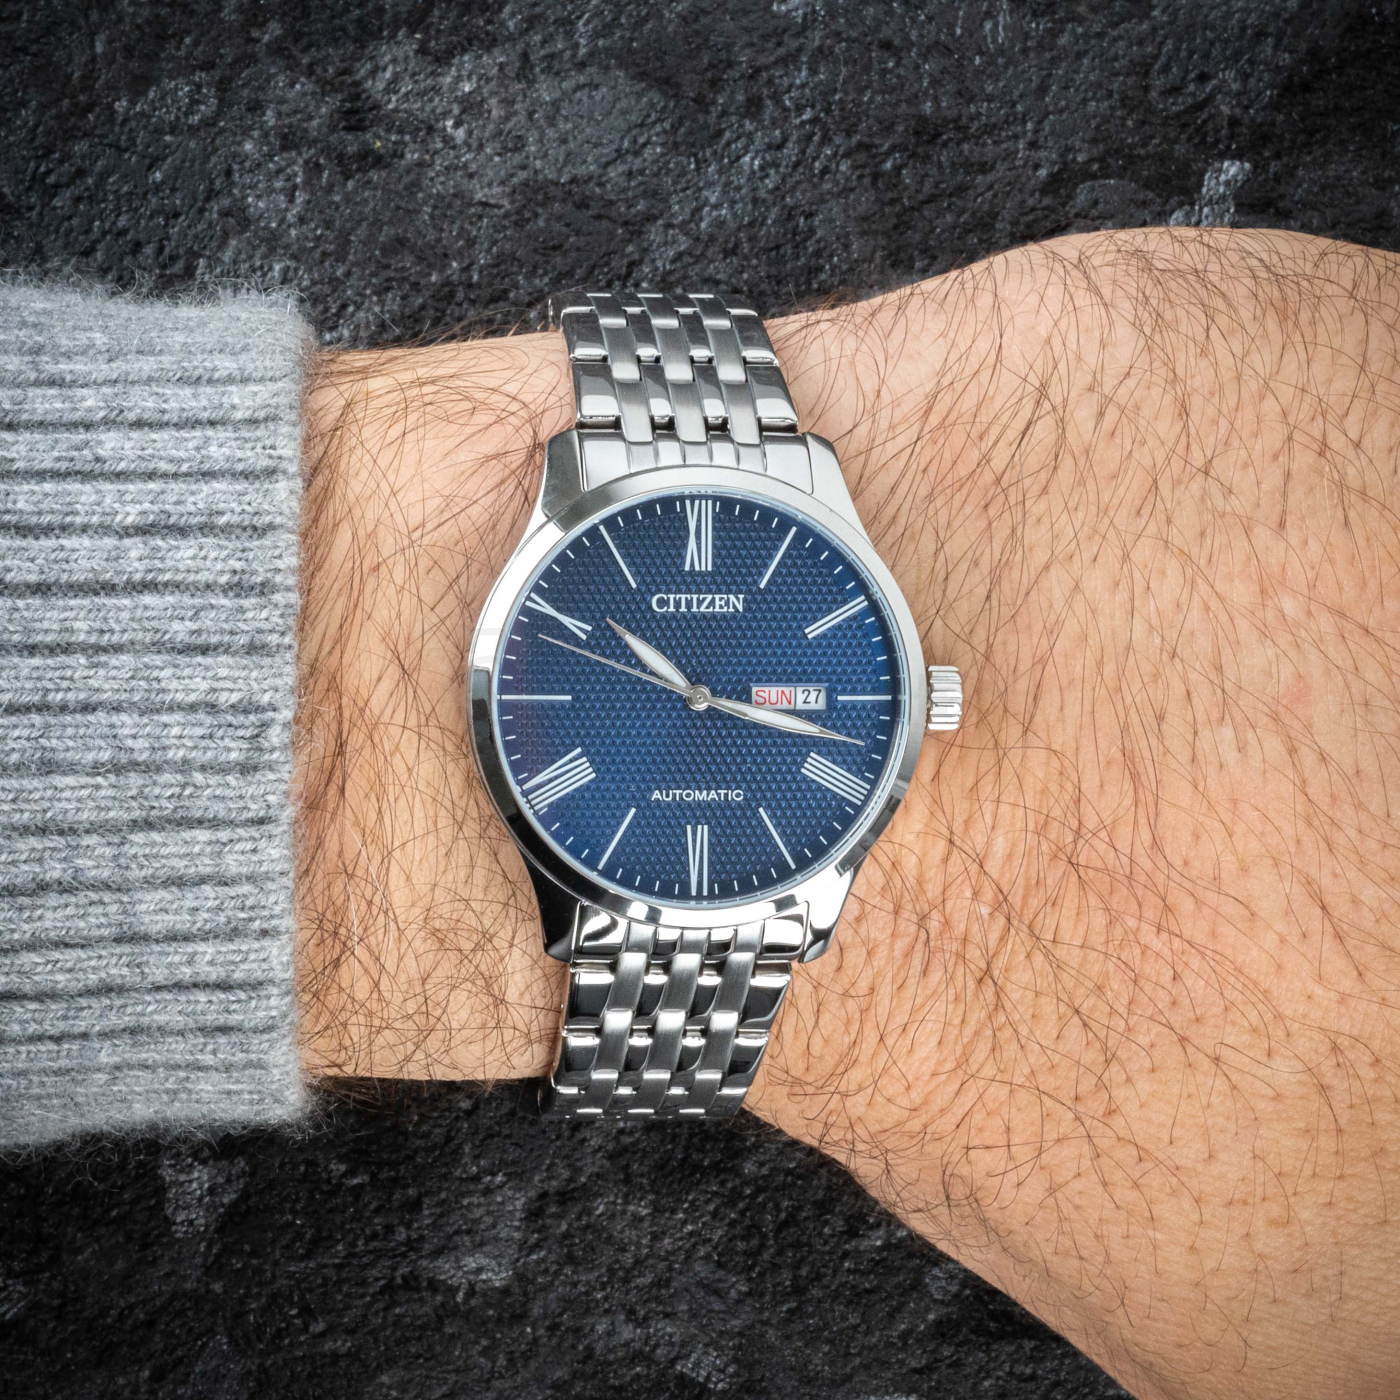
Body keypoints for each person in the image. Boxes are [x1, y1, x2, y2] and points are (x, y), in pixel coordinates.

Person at [4, 227, 1398, 1400]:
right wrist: (359, 766)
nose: (708, 706)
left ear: (926, 698)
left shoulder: (867, 714)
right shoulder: (559, 653)